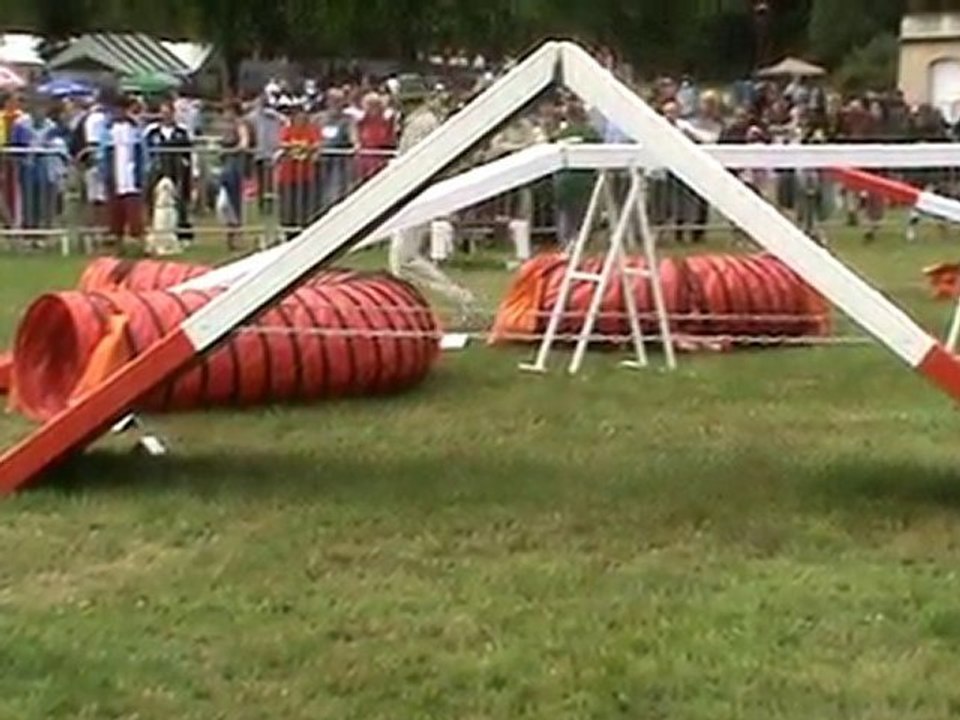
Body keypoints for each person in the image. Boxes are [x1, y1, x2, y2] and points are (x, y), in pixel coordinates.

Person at [97, 93, 148, 253]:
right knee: (115, 211)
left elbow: (142, 151)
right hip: (114, 173)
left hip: (131, 174)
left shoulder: (135, 128)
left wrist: (143, 170)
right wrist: (104, 171)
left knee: (134, 209)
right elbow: (102, 151)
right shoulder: (108, 128)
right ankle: (117, 245)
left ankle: (138, 244)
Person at [144, 98, 193, 243]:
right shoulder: (152, 132)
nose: (165, 115)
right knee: (155, 199)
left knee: (179, 201)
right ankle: (155, 230)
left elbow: (188, 153)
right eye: (163, 112)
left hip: (177, 170)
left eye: (168, 112)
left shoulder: (181, 132)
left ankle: (181, 232)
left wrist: (189, 169)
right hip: (157, 168)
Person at [277, 103, 322, 241]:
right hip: (288, 174)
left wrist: (304, 148)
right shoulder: (287, 129)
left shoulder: (311, 130)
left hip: (305, 174)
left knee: (304, 204)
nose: (300, 118)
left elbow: (317, 144)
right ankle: (288, 231)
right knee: (288, 204)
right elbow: (282, 143)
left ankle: (304, 230)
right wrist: (299, 146)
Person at [218, 100, 252, 250]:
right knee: (223, 203)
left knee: (233, 201)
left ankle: (235, 235)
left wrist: (232, 151)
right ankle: (231, 234)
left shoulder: (240, 125)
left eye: (228, 110)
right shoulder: (225, 127)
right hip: (225, 165)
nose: (225, 114)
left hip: (234, 166)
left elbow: (244, 143)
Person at [317, 88, 355, 211]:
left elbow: (353, 135)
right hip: (321, 159)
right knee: (320, 189)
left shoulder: (348, 119)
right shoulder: (318, 118)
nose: (336, 104)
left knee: (337, 188)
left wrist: (356, 144)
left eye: (339, 101)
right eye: (333, 100)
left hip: (340, 159)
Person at [354, 92, 396, 184]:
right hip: (365, 158)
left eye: (373, 105)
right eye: (368, 105)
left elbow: (390, 139)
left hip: (381, 156)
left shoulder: (387, 121)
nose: (370, 108)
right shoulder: (361, 122)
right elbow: (357, 139)